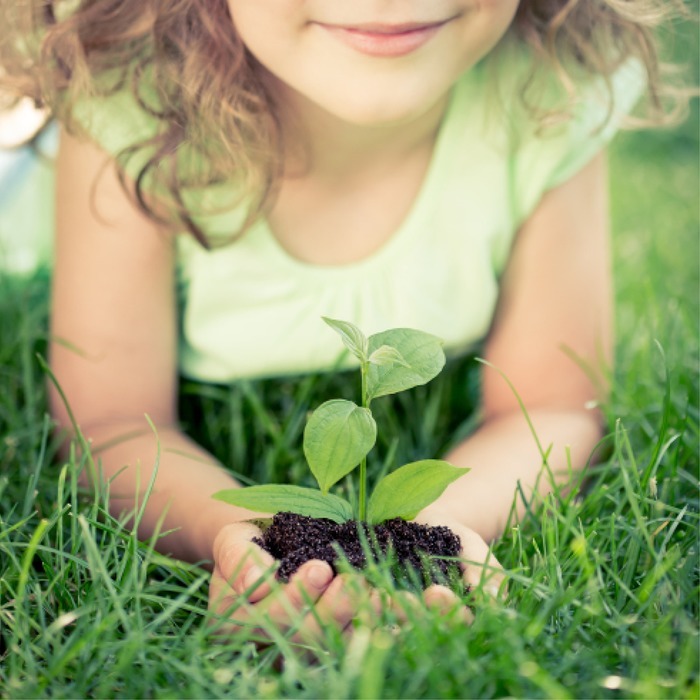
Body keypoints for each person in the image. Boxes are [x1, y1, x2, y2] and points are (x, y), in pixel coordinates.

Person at [0, 0, 687, 639]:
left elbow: (554, 408)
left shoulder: (555, 90)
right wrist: (247, 537)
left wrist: (426, 537)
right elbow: (109, 422)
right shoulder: (131, 102)